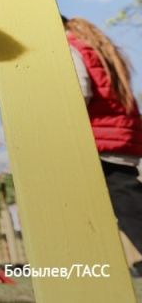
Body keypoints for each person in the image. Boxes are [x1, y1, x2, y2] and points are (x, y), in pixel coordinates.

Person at [64, 16, 142, 275]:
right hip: (120, 138)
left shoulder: (68, 46)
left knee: (130, 211)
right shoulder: (94, 46)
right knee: (128, 205)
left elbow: (79, 91)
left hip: (102, 143)